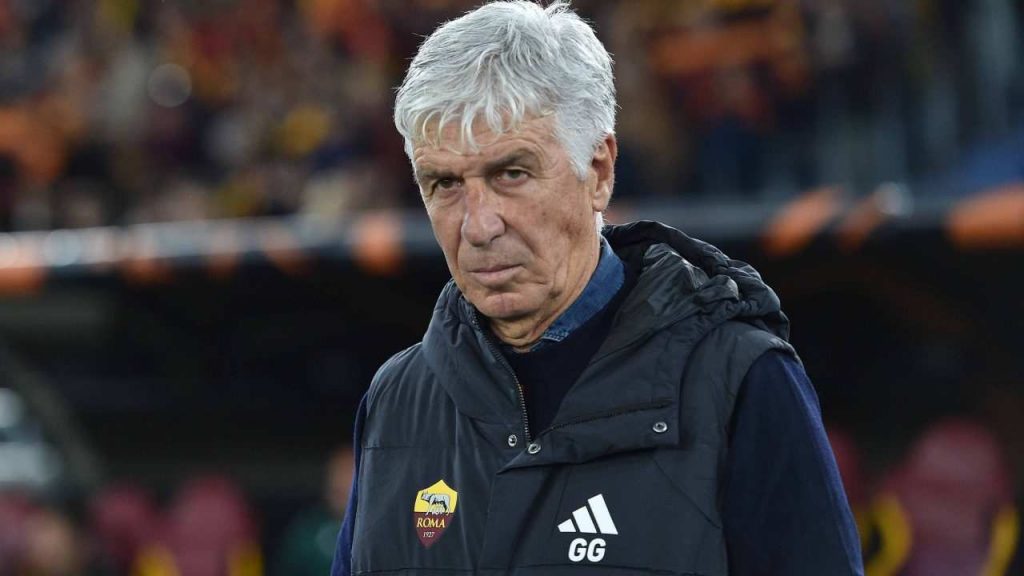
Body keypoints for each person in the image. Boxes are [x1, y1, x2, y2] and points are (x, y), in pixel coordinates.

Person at [331, 2, 864, 574]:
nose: (478, 226)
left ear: (600, 171)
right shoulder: (395, 400)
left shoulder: (741, 381)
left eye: (511, 173)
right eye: (444, 183)